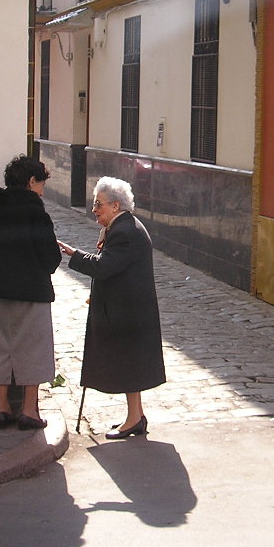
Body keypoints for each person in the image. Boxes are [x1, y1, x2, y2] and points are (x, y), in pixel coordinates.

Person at [57, 176, 166, 439]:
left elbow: (105, 266)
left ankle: (133, 420)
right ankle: (135, 417)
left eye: (99, 205)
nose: (94, 210)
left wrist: (75, 255)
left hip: (129, 313)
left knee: (130, 368)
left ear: (116, 206)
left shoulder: (126, 232)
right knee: (131, 367)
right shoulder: (123, 227)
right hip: (128, 310)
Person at [0, 155, 62, 430]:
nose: (42, 190)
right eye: (41, 184)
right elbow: (51, 259)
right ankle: (29, 410)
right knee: (33, 349)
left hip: (0, 291)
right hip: (32, 292)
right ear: (31, 181)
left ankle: (2, 407)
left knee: (2, 347)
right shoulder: (36, 213)